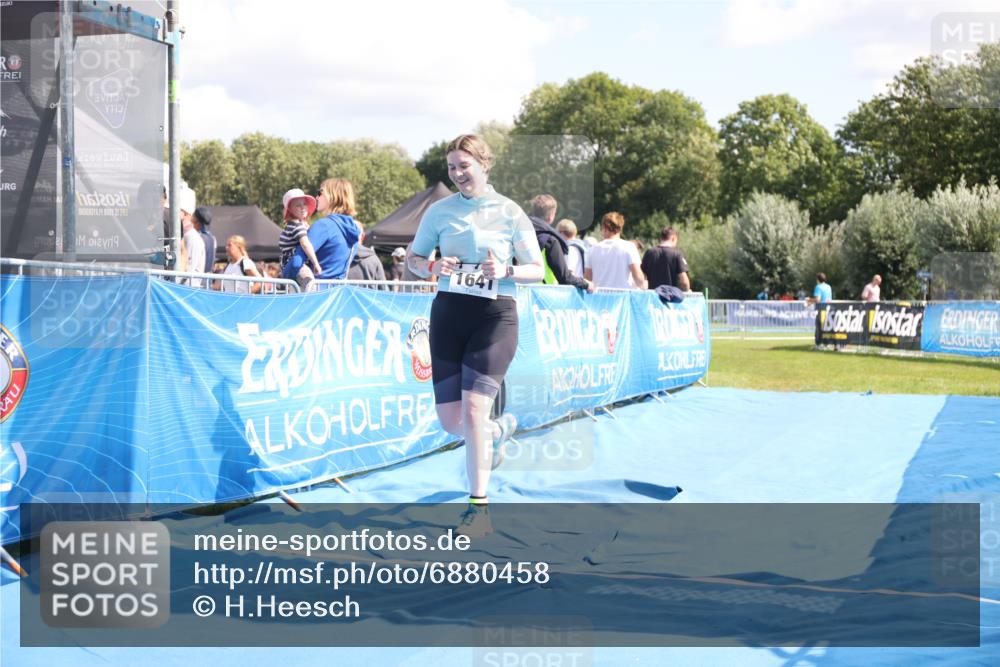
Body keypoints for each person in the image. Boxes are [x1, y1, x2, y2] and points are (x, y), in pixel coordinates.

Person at [407, 134, 544, 537]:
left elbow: (536, 269)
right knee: (452, 422)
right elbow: (414, 260)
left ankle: (478, 508)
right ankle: (498, 431)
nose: (457, 174)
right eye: (451, 168)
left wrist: (505, 271)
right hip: (449, 314)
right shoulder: (438, 212)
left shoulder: (510, 212)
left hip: (495, 316)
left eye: (464, 166)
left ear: (484, 165)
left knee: (472, 413)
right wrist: (433, 267)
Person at [283, 179, 362, 286]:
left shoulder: (323, 226)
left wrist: (284, 278)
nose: (316, 197)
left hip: (315, 296)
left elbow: (296, 262)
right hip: (338, 295)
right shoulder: (355, 230)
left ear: (333, 196)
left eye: (320, 193)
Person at [528, 194, 594, 292]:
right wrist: (586, 284)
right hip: (544, 296)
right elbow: (565, 278)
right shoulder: (550, 241)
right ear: (551, 216)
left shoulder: (518, 235)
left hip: (520, 296)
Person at [585, 212, 647, 290]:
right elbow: (638, 277)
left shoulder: (592, 250)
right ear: (620, 228)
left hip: (599, 297)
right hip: (621, 298)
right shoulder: (629, 247)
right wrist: (644, 283)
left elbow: (588, 278)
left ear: (604, 228)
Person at [278, 188, 323, 280]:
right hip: (297, 266)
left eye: (304, 204)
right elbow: (305, 244)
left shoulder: (295, 225)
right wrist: (316, 263)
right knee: (311, 286)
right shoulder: (297, 225)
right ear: (290, 210)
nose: (302, 207)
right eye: (298, 205)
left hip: (290, 266)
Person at [641, 226, 691, 291]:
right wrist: (687, 291)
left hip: (653, 296)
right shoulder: (677, 254)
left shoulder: (649, 253)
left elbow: (642, 276)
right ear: (673, 238)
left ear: (661, 238)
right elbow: (684, 282)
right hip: (670, 297)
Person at [178, 186, 205, 288]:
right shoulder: (184, 234)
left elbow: (190, 266)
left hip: (189, 289)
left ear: (185, 214)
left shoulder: (193, 237)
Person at [347, 225, 389, 289]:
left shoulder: (336, 258)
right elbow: (383, 288)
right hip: (369, 298)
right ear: (363, 236)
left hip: (345, 298)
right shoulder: (374, 259)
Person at [193, 206, 217, 274]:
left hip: (198, 277)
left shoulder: (197, 238)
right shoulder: (212, 238)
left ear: (196, 221)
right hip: (208, 277)